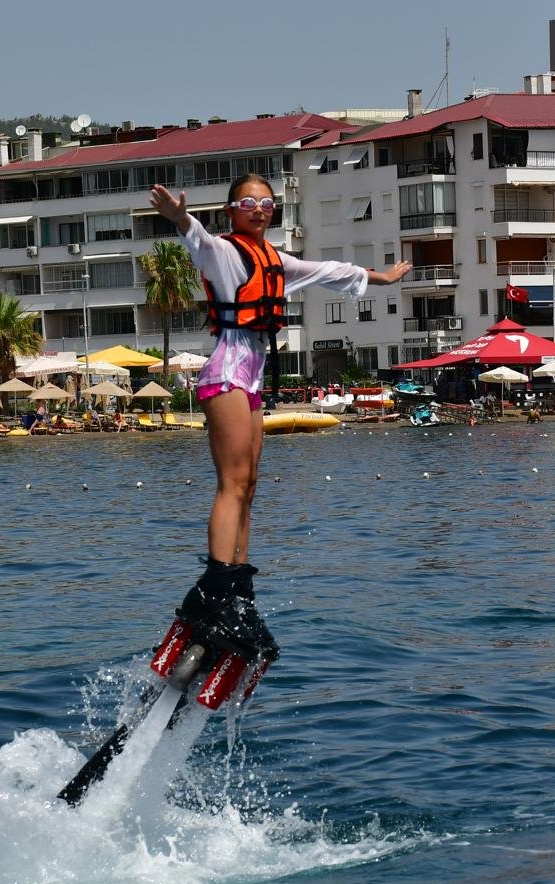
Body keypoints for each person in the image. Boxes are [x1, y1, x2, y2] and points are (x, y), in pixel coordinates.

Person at [150, 175, 411, 660]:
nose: (259, 209)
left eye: (267, 202)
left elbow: (330, 270)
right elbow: (197, 238)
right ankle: (215, 588)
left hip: (252, 374)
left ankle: (238, 588)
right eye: (248, 202)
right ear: (231, 210)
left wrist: (384, 279)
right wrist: (179, 217)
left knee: (249, 485)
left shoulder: (276, 260)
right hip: (227, 370)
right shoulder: (224, 252)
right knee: (233, 482)